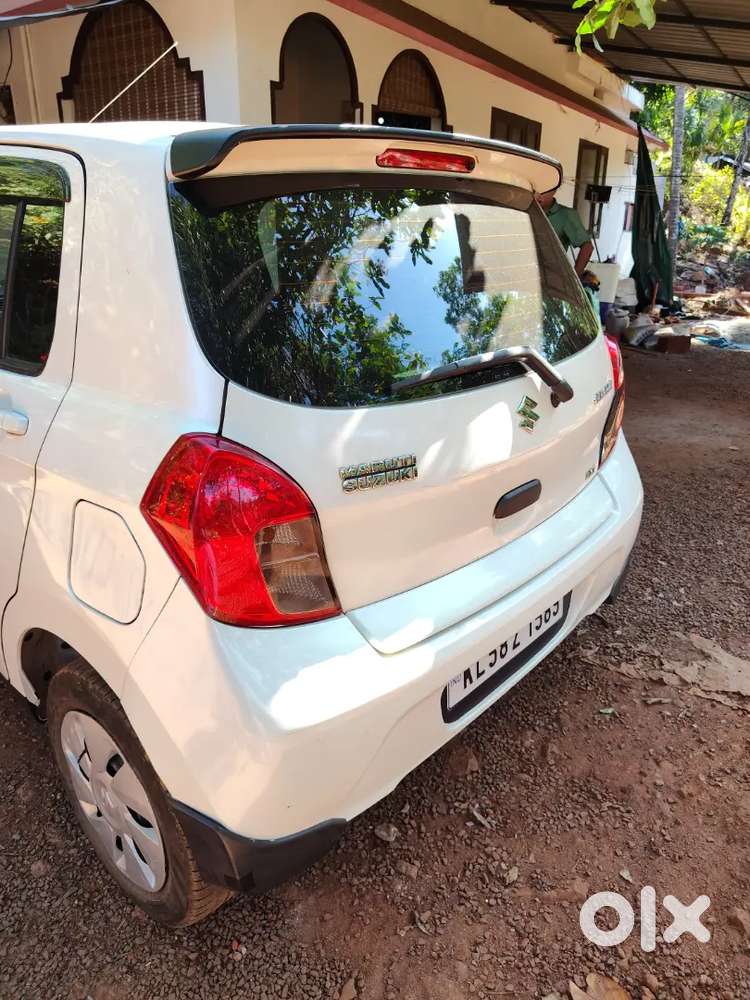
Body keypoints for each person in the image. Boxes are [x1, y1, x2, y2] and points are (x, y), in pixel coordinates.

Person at [537, 191, 594, 277]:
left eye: (544, 190)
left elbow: (587, 247)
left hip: (551, 277)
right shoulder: (526, 211)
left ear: (554, 189)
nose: (538, 195)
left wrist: (575, 278)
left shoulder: (566, 215)